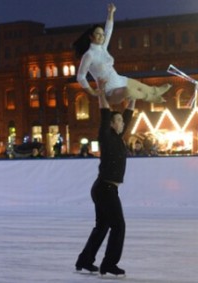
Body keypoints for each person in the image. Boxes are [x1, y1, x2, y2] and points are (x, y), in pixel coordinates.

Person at [76, 83, 135, 277]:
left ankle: (85, 260)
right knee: (118, 225)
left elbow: (128, 116)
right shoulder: (107, 137)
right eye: (118, 121)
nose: (122, 123)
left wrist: (134, 95)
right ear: (111, 123)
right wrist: (101, 95)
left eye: (121, 121)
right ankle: (109, 264)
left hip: (106, 189)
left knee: (102, 226)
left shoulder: (119, 137)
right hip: (104, 189)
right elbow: (104, 115)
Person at [74, 3, 171, 105]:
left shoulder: (103, 48)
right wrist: (93, 92)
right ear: (91, 36)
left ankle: (156, 91)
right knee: (128, 91)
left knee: (142, 86)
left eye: (102, 35)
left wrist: (111, 12)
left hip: (119, 80)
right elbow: (80, 77)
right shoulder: (89, 55)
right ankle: (151, 98)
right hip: (110, 91)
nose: (102, 36)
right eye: (98, 34)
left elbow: (109, 30)